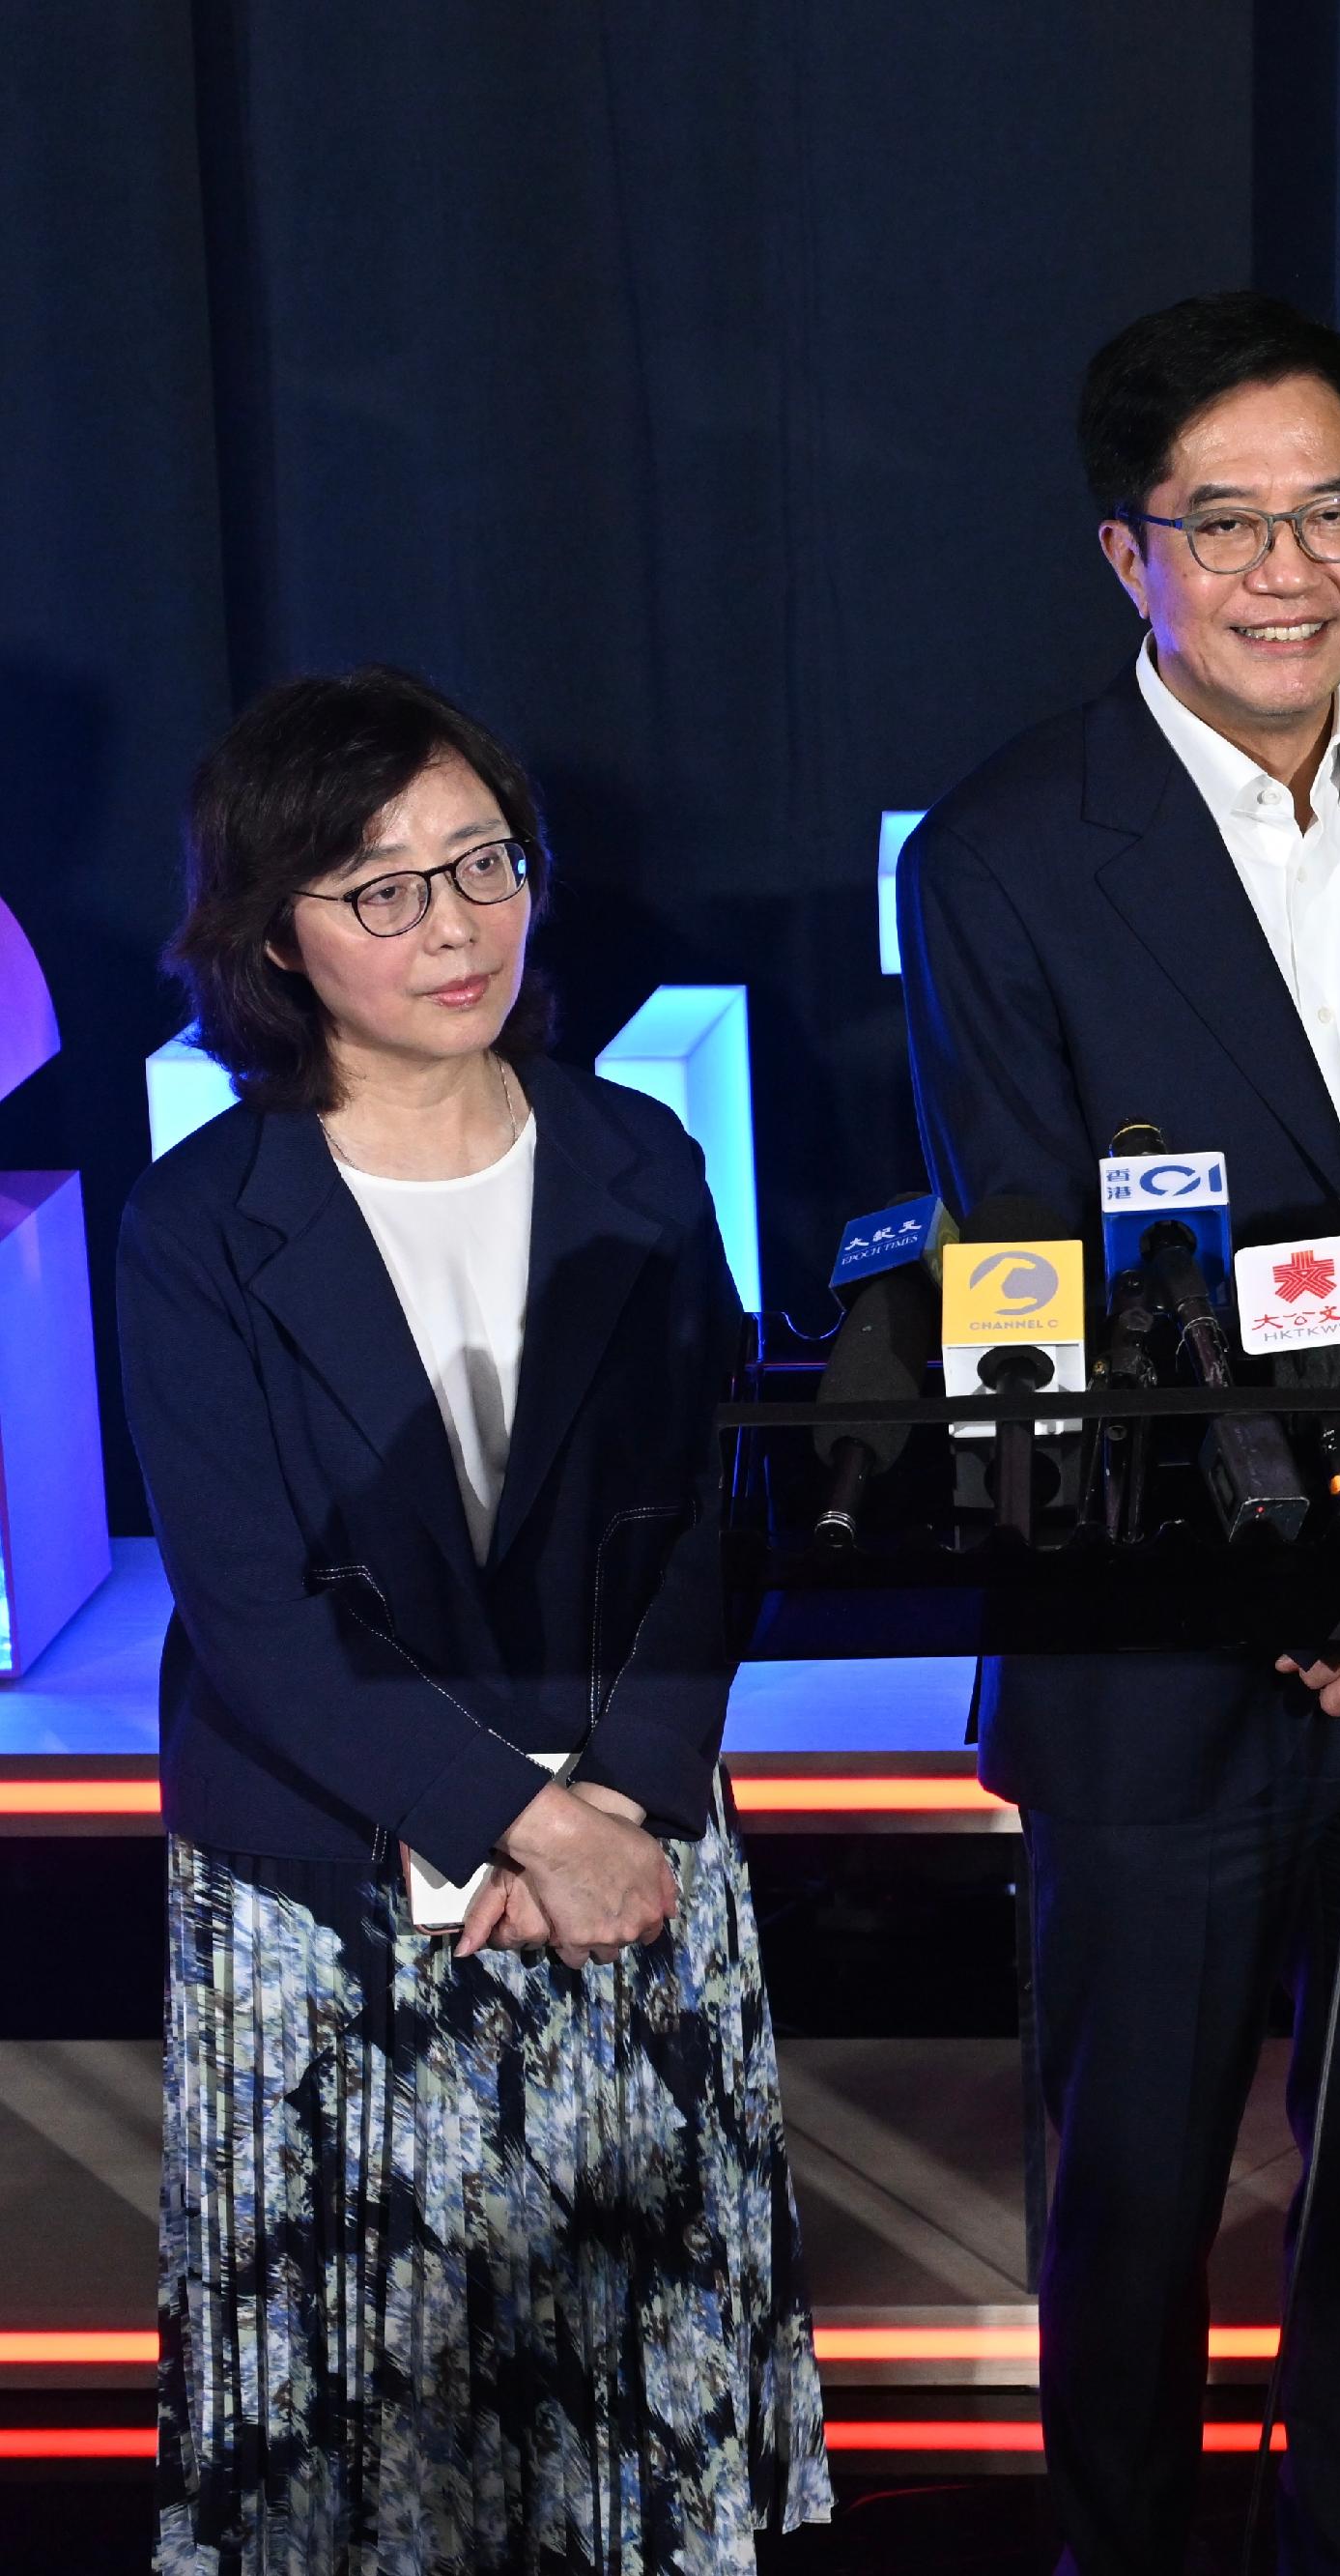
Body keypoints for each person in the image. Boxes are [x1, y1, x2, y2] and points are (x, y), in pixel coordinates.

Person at [898, 290, 1340, 2575]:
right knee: (1133, 2205)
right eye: (1229, 522)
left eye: (1331, 510)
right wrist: (1300, 1577)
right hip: (1155, 1643)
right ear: (1131, 555)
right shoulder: (1004, 853)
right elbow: (1042, 1284)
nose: (1290, 566)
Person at [123, 667, 826, 2570]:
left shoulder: (638, 1156)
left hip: (634, 1858)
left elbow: (708, 1517)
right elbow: (248, 1603)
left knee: (628, 2440)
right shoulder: (203, 1220)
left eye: (482, 866)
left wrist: (623, 1801)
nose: (455, 928)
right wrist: (515, 1816)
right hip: (326, 1883)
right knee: (367, 2468)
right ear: (272, 927)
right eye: (384, 889)